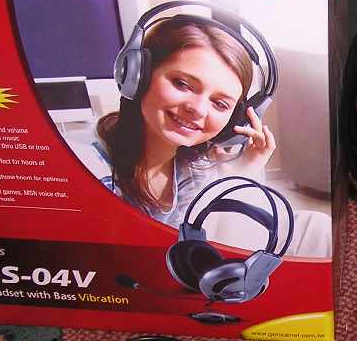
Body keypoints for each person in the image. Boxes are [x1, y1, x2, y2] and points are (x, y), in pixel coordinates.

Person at [93, 16, 276, 227]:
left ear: (236, 120)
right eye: (182, 84)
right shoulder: (87, 170)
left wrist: (238, 175)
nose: (198, 109)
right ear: (138, 76)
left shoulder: (198, 170)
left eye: (220, 104)